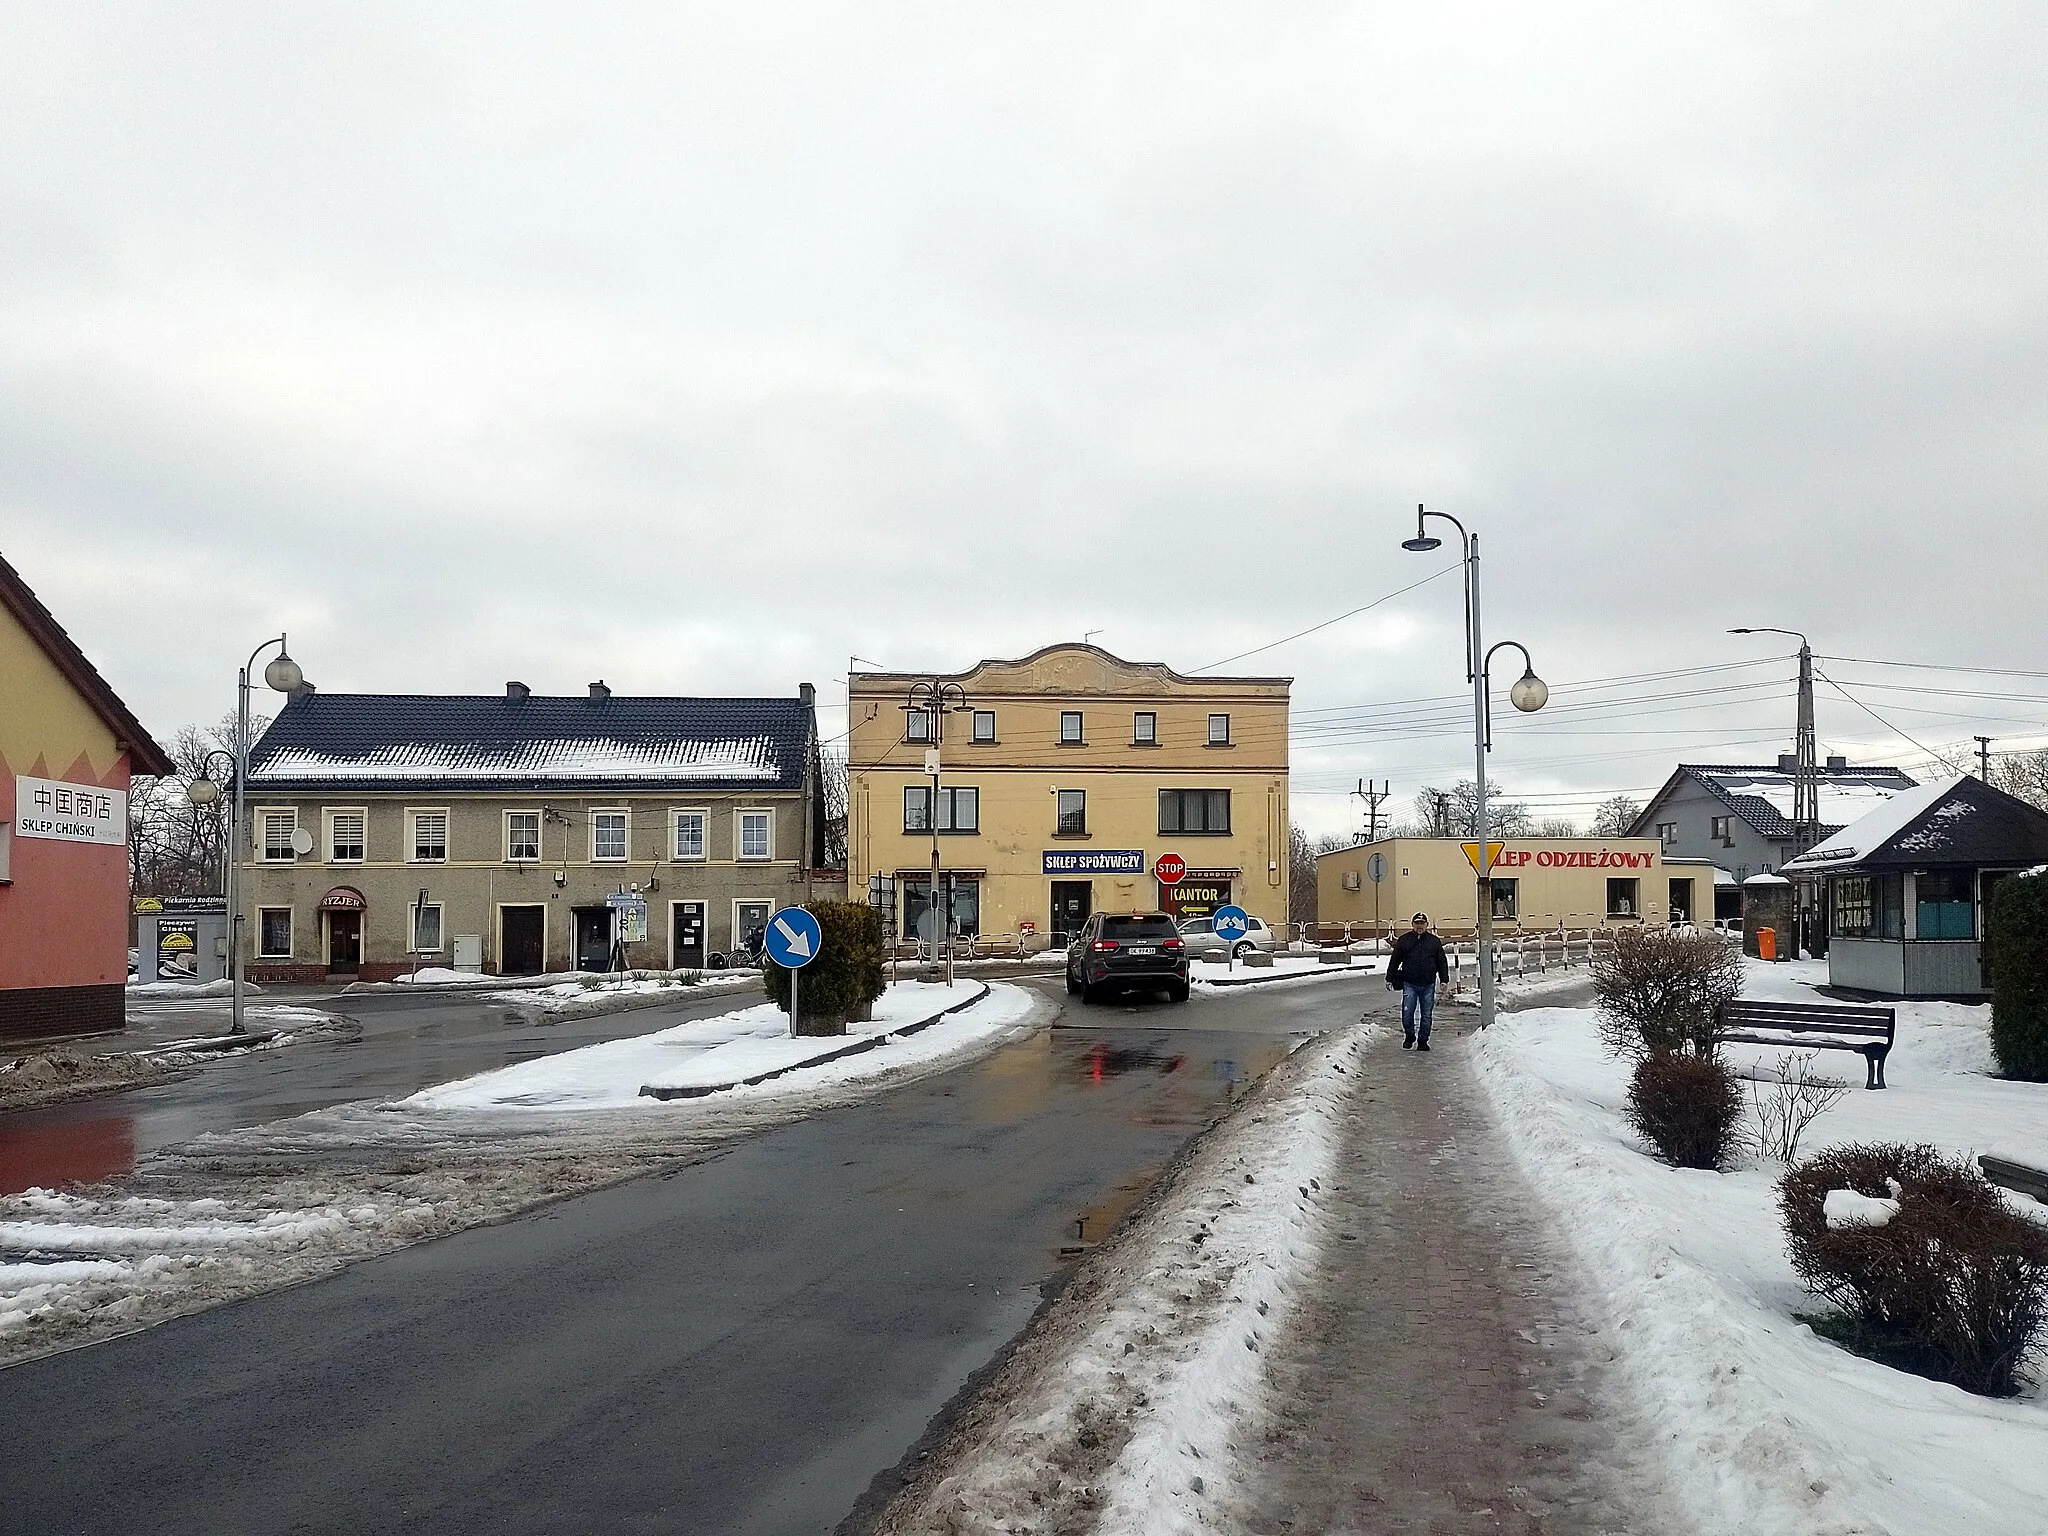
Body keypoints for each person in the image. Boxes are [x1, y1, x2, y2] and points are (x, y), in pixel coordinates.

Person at [1386, 911, 1449, 1051]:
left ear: (1427, 925)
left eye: (1422, 923)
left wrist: (1444, 979)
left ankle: (1423, 1041)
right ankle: (1409, 1036)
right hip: (1410, 983)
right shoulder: (1404, 940)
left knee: (1426, 1015)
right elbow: (1395, 960)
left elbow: (1441, 962)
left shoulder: (1434, 941)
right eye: (1417, 923)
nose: (1419, 926)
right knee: (1407, 1013)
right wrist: (1389, 978)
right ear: (1412, 924)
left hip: (1428, 984)